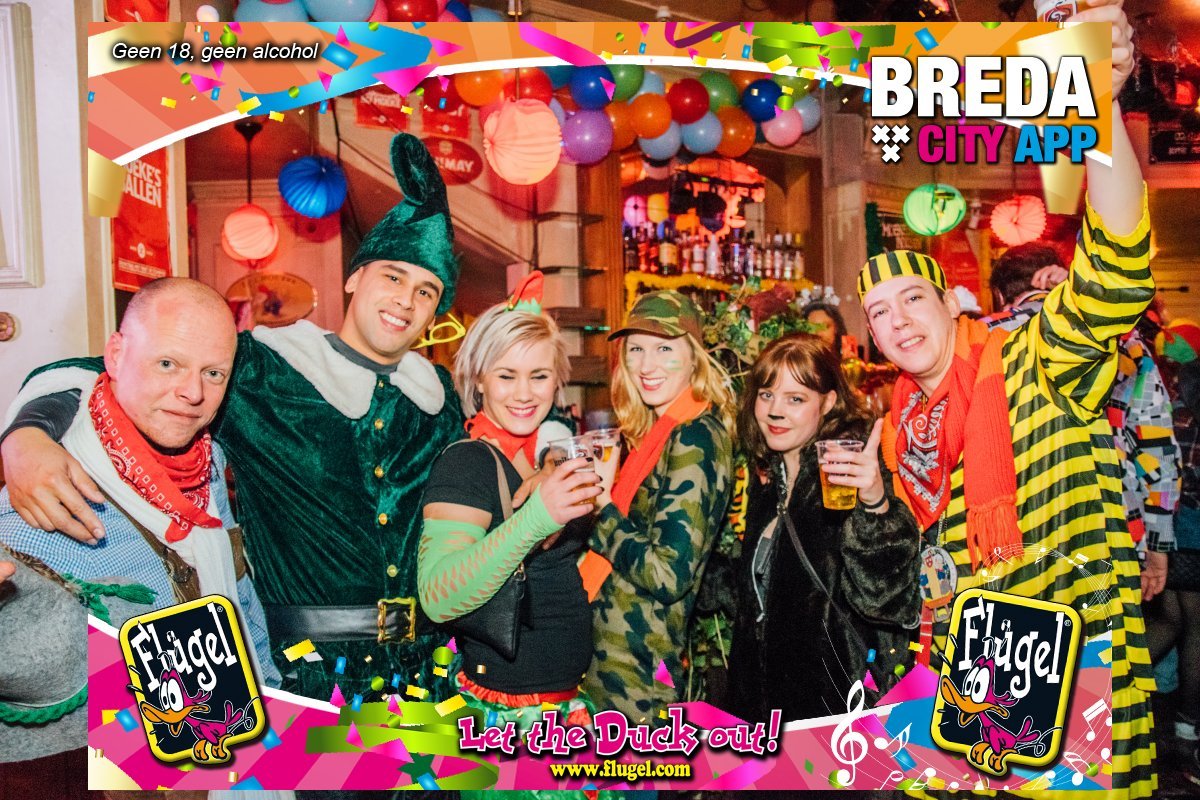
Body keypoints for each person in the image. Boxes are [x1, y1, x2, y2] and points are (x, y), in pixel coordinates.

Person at [0, 133, 464, 705]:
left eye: (426, 290)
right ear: (354, 276)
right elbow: (108, 369)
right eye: (393, 276)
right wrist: (25, 436)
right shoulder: (264, 368)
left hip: (427, 667)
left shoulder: (437, 400)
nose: (406, 300)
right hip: (314, 674)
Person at [856, 6, 1154, 795]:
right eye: (879, 314)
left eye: (912, 300)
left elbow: (1117, 270)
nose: (898, 321)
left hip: (1070, 668)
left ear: (951, 304)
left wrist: (1101, 107)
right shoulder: (900, 427)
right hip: (965, 676)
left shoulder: (1032, 357)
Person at [0, 279, 277, 680]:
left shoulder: (208, 462)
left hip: (228, 709)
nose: (193, 392)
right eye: (167, 364)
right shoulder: (47, 493)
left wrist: (270, 688)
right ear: (115, 355)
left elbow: (241, 602)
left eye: (214, 373)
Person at [418, 274, 601, 731]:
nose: (524, 394)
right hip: (508, 717)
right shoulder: (467, 462)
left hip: (564, 705)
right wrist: (538, 517)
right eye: (506, 375)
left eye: (539, 376)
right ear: (479, 380)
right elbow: (437, 596)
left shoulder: (545, 451)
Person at [728, 334, 920, 724]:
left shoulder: (845, 475)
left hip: (834, 718)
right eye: (767, 395)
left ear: (828, 403)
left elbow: (886, 599)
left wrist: (875, 503)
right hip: (764, 717)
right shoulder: (770, 482)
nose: (775, 412)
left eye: (795, 399)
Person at [983, 242, 1180, 604]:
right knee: (1102, 637)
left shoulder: (979, 339)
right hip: (1109, 528)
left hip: (1012, 536)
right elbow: (1158, 449)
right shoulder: (1125, 344)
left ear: (998, 294)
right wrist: (1158, 544)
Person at [585, 290, 735, 723]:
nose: (646, 365)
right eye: (636, 349)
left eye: (664, 349)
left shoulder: (695, 436)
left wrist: (601, 509)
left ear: (694, 358)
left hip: (639, 685)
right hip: (615, 671)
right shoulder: (659, 432)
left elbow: (669, 575)